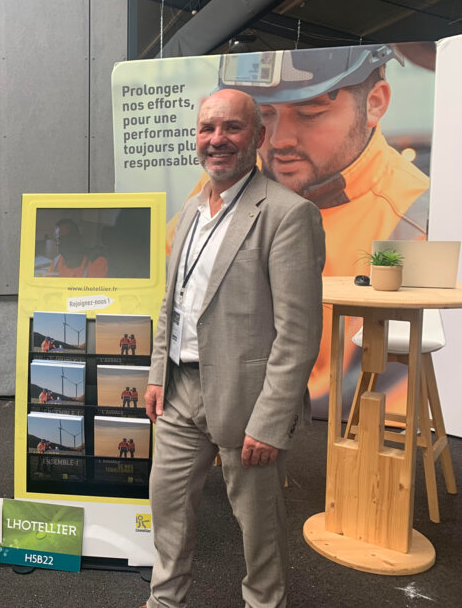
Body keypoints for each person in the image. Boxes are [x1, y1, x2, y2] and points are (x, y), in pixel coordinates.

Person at [143, 89, 324, 608]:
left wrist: (269, 421)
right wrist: (158, 373)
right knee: (168, 507)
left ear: (258, 137)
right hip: (180, 389)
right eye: (207, 129)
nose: (216, 140)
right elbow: (172, 301)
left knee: (258, 526)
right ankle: (166, 599)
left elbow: (297, 334)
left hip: (248, 398)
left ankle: (265, 603)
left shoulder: (289, 215)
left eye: (231, 128)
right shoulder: (193, 207)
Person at [168, 45, 429, 404]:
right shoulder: (228, 184)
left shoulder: (413, 221)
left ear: (374, 103)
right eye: (265, 115)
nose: (278, 140)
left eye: (309, 114)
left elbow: (383, 388)